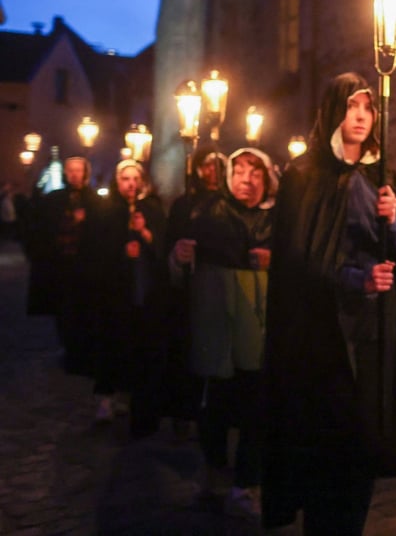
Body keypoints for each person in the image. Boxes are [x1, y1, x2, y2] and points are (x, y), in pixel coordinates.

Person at [263, 72, 396, 534]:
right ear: (332, 113)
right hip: (324, 335)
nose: (361, 116)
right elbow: (300, 261)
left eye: (367, 107)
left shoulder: (382, 175)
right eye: (351, 107)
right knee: (330, 448)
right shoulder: (304, 177)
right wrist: (357, 279)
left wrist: (394, 220)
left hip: (374, 332)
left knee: (364, 445)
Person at [170, 146, 276, 520]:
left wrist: (273, 261)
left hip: (259, 331)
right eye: (239, 172)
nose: (246, 181)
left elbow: (301, 268)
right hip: (216, 326)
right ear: (229, 177)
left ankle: (246, 482)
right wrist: (179, 257)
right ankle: (214, 471)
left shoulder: (279, 219)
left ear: (267, 177)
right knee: (213, 406)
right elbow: (179, 273)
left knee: (256, 411)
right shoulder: (207, 213)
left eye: (255, 173)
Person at [92, 159, 168, 433]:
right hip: (116, 292)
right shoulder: (107, 211)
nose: (131, 184)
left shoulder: (152, 208)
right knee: (112, 341)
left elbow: (161, 244)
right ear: (117, 181)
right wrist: (121, 253)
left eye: (136, 178)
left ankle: (128, 394)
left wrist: (145, 234)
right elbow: (97, 250)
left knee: (136, 344)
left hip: (144, 290)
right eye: (126, 179)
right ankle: (106, 397)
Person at [164, 147, 228, 438]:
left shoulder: (229, 203)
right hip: (189, 291)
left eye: (218, 165)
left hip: (221, 290)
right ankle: (184, 411)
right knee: (187, 351)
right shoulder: (185, 205)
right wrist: (179, 256)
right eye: (207, 165)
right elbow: (171, 244)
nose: (212, 171)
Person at [24, 157, 103, 376]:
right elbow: (39, 230)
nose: (75, 174)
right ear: (66, 173)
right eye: (71, 170)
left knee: (85, 311)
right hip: (61, 268)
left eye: (79, 170)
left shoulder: (95, 201)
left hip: (85, 268)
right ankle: (70, 351)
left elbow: (101, 233)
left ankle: (83, 354)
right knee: (64, 312)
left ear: (85, 173)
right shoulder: (54, 199)